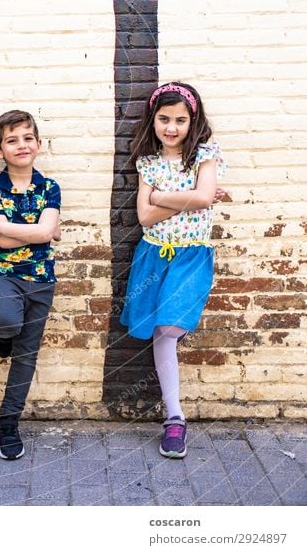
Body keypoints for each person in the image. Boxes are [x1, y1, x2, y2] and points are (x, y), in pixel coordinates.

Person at [120, 82, 226, 459]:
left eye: (180, 120)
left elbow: (201, 197)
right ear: (154, 120)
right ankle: (175, 418)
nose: (171, 127)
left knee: (169, 327)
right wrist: (190, 200)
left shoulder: (205, 155)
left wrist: (162, 197)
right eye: (164, 119)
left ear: (192, 120)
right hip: (153, 256)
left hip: (191, 257)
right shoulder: (148, 162)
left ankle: (175, 414)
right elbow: (145, 216)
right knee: (161, 334)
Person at [0, 110, 61, 460]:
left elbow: (30, 233)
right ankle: (1, 337)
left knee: (26, 357)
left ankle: (8, 423)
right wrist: (41, 232)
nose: (21, 145)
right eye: (12, 140)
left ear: (38, 144)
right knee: (7, 323)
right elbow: (37, 234)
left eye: (27, 138)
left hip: (42, 279)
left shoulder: (50, 187)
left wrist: (4, 230)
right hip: (5, 275)